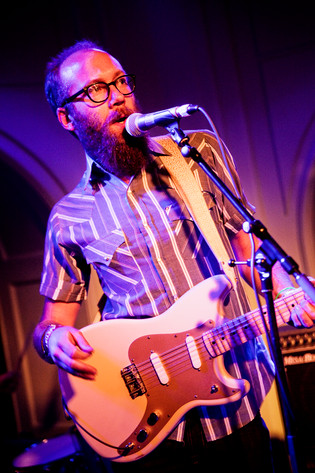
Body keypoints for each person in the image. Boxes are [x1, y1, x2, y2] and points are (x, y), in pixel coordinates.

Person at [33, 40, 315, 473]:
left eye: (121, 82)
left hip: (235, 405)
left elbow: (246, 246)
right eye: (96, 91)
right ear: (67, 118)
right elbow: (53, 322)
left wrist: (288, 286)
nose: (118, 97)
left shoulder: (196, 153)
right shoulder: (67, 218)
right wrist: (54, 342)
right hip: (147, 426)